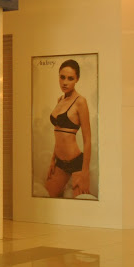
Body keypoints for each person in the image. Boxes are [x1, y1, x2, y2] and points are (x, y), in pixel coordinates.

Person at [45, 59, 92, 198]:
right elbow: (58, 135)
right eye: (62, 77)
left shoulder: (80, 102)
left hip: (76, 163)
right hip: (59, 163)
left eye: (70, 78)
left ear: (77, 79)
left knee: (80, 204)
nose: (65, 82)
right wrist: (53, 160)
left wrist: (85, 173)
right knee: (47, 196)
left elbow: (87, 139)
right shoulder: (60, 100)